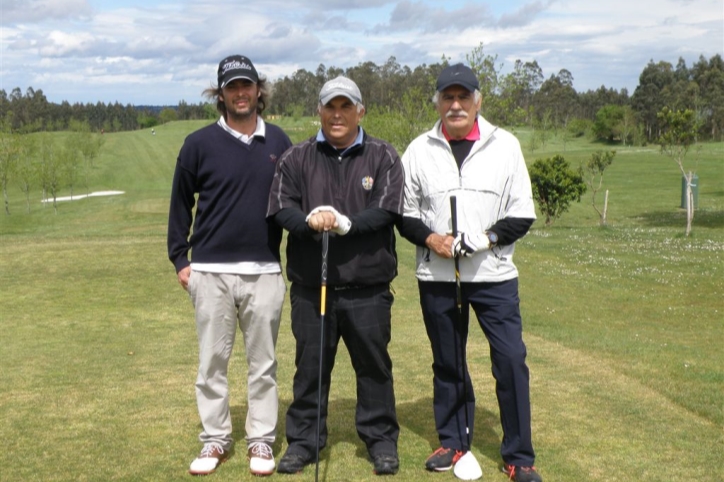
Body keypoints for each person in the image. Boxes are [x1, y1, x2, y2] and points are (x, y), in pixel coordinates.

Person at [397, 63, 542, 482]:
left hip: (494, 275)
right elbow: (404, 215)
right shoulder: (419, 149)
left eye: (464, 97)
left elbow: (522, 214)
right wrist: (431, 240)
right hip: (438, 277)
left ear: (478, 101)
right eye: (448, 97)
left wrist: (486, 238)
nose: (455, 104)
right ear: (439, 102)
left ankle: (519, 456)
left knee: (511, 360)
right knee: (448, 362)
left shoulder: (506, 146)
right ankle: (454, 442)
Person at [267, 76, 404, 476]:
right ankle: (305, 442)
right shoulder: (297, 157)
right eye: (331, 107)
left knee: (374, 368)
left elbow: (388, 208)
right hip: (313, 288)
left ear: (361, 111)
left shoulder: (383, 156)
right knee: (310, 368)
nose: (338, 114)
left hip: (368, 288)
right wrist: (309, 221)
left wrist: (346, 223)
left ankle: (380, 441)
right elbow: (280, 207)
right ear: (320, 112)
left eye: (346, 107)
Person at [167, 54, 292, 477]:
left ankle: (260, 440)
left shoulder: (278, 141)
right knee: (211, 364)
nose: (241, 94)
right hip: (210, 272)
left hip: (265, 272)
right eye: (232, 87)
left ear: (259, 90)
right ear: (220, 95)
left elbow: (293, 202)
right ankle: (215, 439)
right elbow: (180, 204)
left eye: (247, 85)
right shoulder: (198, 144)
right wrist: (181, 260)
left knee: (263, 365)